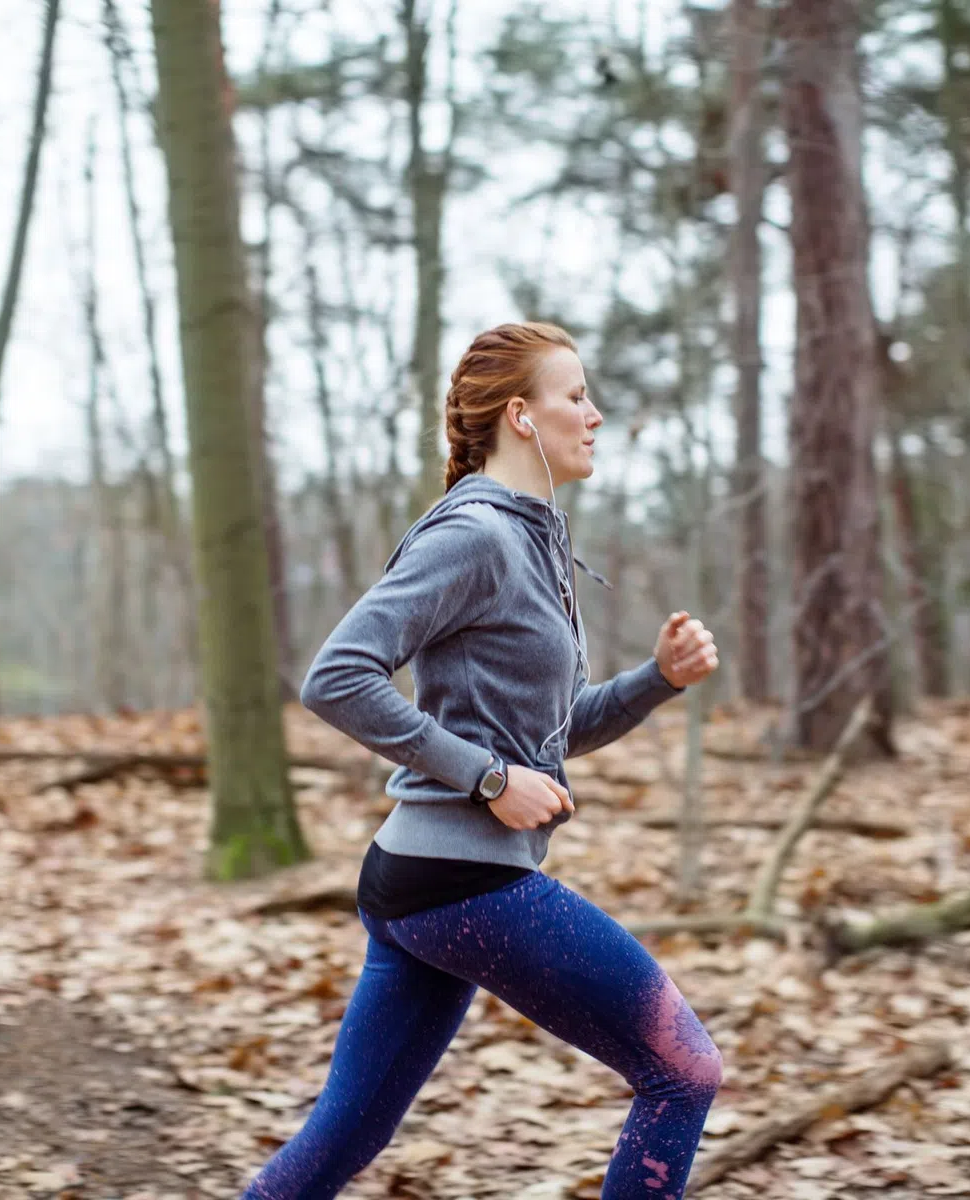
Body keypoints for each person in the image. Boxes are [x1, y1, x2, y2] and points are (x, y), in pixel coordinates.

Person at [240, 321, 724, 1200]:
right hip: (464, 882)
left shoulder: (534, 540)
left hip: (424, 885)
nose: (596, 414)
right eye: (575, 395)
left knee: (347, 1134)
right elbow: (336, 676)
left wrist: (656, 680)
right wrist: (487, 780)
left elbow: (552, 731)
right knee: (682, 1071)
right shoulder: (473, 536)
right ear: (521, 417)